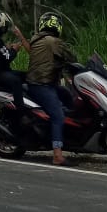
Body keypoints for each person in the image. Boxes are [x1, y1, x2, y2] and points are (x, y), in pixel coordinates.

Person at [26, 12, 77, 166]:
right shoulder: (53, 42)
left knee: (69, 99)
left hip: (42, 83)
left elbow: (53, 61)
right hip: (42, 85)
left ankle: (67, 136)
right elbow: (71, 57)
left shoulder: (37, 39)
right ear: (57, 27)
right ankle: (57, 155)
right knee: (58, 116)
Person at [0, 10, 30, 108]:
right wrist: (15, 50)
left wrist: (10, 49)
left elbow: (1, 53)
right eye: (4, 25)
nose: (5, 27)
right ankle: (21, 113)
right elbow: (7, 58)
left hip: (1, 72)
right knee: (16, 81)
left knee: (28, 76)